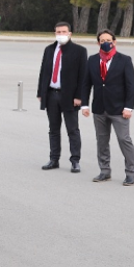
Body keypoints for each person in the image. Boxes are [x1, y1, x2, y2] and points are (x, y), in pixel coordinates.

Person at [82, 29, 134, 186]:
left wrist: (128, 107)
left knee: (124, 139)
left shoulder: (124, 60)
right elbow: (86, 84)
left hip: (119, 109)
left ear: (114, 41)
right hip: (99, 108)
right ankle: (105, 171)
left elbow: (130, 86)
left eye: (108, 40)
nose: (106, 43)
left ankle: (131, 172)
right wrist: (84, 105)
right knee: (102, 141)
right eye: (102, 40)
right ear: (98, 43)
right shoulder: (92, 60)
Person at [38, 21, 88, 173]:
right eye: (58, 32)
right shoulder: (49, 50)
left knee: (72, 129)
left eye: (64, 32)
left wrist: (79, 96)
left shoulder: (79, 51)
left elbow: (83, 76)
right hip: (52, 93)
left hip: (69, 96)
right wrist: (41, 92)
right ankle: (54, 159)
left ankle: (75, 160)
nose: (61, 35)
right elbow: (44, 72)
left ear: (70, 33)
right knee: (53, 129)